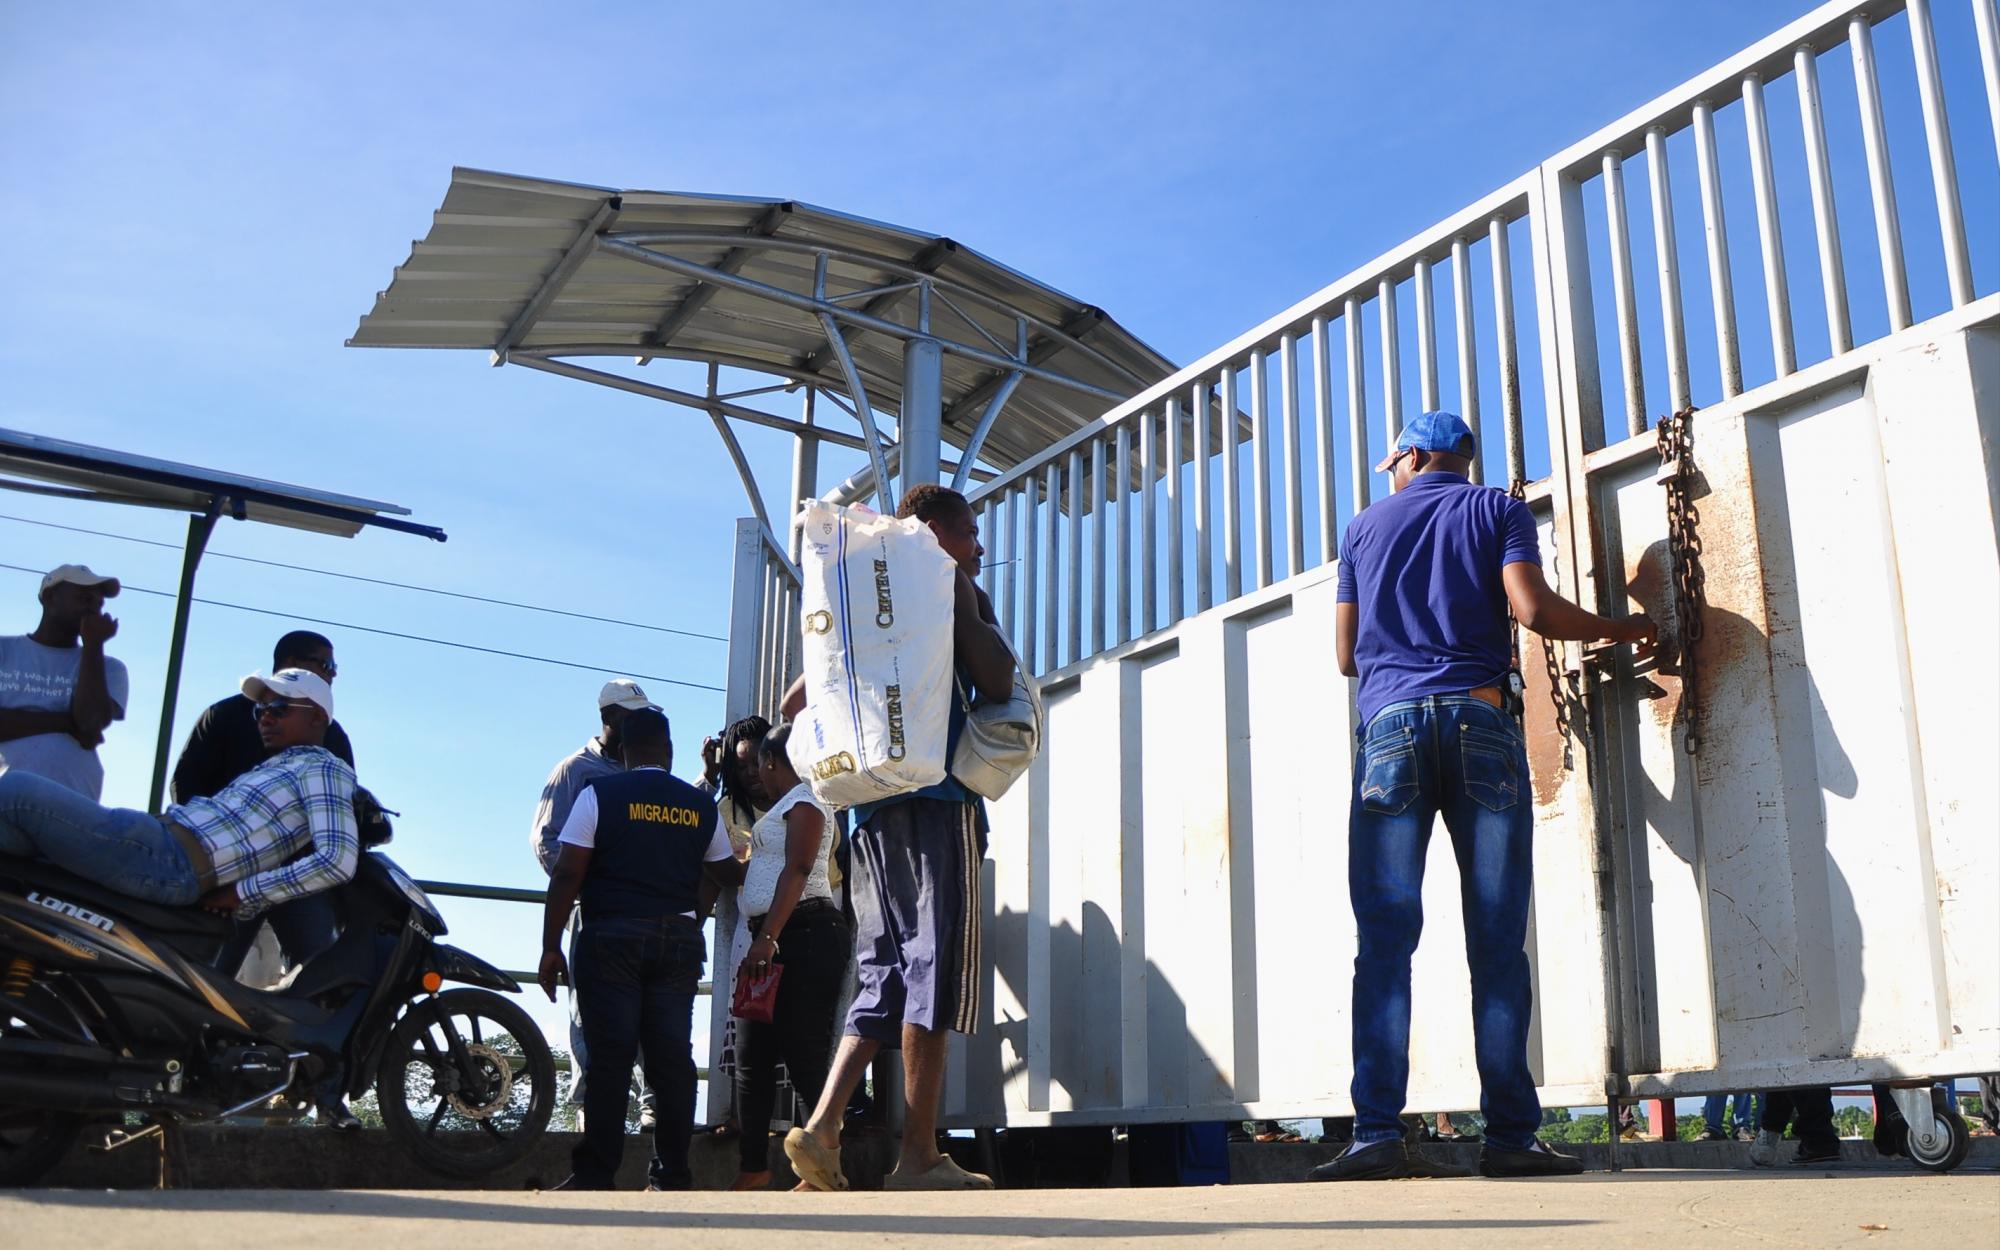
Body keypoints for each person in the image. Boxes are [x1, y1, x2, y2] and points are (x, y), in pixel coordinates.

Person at [1313, 412, 1657, 1182]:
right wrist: (1622, 629)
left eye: (1394, 458)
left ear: (1420, 453)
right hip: (1480, 718)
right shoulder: (1496, 509)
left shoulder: (1362, 530)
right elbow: (1533, 611)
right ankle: (1508, 1138)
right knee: (1497, 942)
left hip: (1391, 731)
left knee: (1386, 942)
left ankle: (1375, 1135)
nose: (1392, 471)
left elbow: (1345, 656)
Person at [780, 482, 1015, 1193]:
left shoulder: (863, 608)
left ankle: (820, 1131)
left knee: (885, 974)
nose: (979, 548)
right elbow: (998, 677)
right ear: (935, 534)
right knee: (932, 972)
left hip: (869, 816)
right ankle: (918, 1156)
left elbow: (793, 703)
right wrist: (967, 602)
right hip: (936, 802)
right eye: (970, 533)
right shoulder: (945, 587)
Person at [537, 707, 741, 1191]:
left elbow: (568, 873)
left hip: (610, 938)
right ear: (669, 752)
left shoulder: (598, 794)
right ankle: (672, 1175)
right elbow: (725, 872)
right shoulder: (698, 805)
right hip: (678, 940)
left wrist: (550, 946)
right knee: (672, 1059)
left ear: (624, 753)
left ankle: (595, 1176)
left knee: (610, 1057)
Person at [0, 668, 357, 919]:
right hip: (157, 843)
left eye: (280, 707)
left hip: (169, 857)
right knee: (14, 849)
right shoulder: (277, 767)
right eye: (261, 709)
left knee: (19, 790)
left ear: (318, 718)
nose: (265, 717)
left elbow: (336, 859)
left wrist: (242, 894)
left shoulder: (323, 767)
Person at [175, 633, 355, 975]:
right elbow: (186, 785)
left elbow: (339, 814)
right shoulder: (224, 715)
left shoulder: (330, 735)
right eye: (327, 664)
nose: (333, 674)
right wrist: (215, 856)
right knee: (205, 981)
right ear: (294, 665)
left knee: (322, 977)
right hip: (229, 871)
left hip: (295, 876)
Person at [531, 678, 658, 1129]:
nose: (637, 724)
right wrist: (588, 884)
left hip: (641, 908)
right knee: (588, 1010)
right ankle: (591, 1108)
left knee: (646, 1006)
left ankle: (650, 1106)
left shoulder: (642, 767)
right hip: (596, 908)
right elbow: (546, 841)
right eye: (629, 716)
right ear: (608, 718)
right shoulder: (575, 770)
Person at [730, 723, 851, 1191]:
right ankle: (753, 1167)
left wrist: (769, 937)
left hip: (801, 934)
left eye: (759, 761)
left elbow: (800, 868)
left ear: (773, 761)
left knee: (803, 1052)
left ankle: (824, 1166)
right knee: (751, 1057)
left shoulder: (806, 800)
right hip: (776, 935)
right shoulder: (783, 807)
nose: (756, 772)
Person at [0, 564, 128, 799]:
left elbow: (90, 724)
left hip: (72, 802)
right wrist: (68, 723)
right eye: (84, 598)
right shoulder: (3, 650)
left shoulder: (110, 667)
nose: (93, 609)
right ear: (49, 597)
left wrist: (94, 645)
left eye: (99, 604)